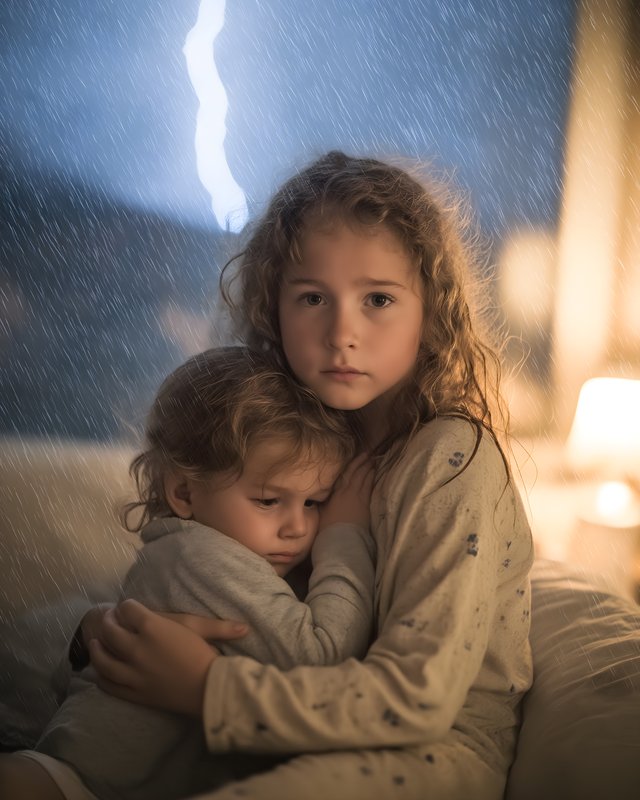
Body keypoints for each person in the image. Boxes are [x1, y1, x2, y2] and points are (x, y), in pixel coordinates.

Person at [1, 150, 534, 800]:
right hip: (270, 728)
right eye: (313, 297)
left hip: (422, 755)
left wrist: (204, 688)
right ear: (274, 307)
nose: (342, 332)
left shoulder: (450, 457)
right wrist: (107, 637)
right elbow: (216, 583)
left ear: (431, 313)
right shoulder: (305, 437)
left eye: (378, 299)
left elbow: (417, 698)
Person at [2, 345, 375, 800]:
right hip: (74, 780)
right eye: (268, 500)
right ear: (183, 491)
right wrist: (345, 534)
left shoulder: (191, 550)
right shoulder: (204, 557)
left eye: (314, 503)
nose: (298, 527)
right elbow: (321, 655)